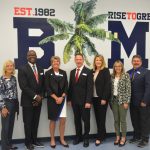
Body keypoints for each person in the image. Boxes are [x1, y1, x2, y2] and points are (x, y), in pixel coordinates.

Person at [18, 50, 45, 150]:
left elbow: (43, 85)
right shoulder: (22, 69)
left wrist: (40, 96)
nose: (32, 56)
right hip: (27, 101)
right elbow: (23, 86)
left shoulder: (41, 69)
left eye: (34, 55)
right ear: (27, 57)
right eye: (30, 55)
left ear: (36, 56)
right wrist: (35, 97)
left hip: (39, 101)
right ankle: (27, 142)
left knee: (36, 122)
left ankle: (34, 140)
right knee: (28, 123)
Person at [68, 53, 93, 147]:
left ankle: (86, 138)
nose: (78, 61)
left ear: (83, 60)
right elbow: (71, 86)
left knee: (86, 120)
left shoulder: (89, 71)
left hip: (84, 102)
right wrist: (69, 99)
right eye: (77, 59)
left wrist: (88, 101)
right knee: (77, 120)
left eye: (80, 59)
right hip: (74, 102)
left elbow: (90, 88)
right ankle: (78, 137)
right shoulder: (72, 72)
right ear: (75, 60)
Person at [45, 56, 68, 148]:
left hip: (62, 100)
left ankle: (62, 139)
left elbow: (66, 86)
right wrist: (56, 98)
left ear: (59, 63)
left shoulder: (63, 73)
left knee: (63, 120)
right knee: (53, 120)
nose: (56, 63)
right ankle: (52, 139)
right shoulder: (48, 73)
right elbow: (47, 87)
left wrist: (62, 97)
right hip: (52, 99)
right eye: (54, 62)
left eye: (57, 62)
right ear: (51, 63)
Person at [127, 55, 150, 148]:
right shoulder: (129, 72)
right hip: (132, 102)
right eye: (134, 61)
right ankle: (137, 136)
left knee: (144, 121)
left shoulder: (146, 72)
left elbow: (149, 87)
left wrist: (145, 100)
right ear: (132, 62)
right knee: (134, 120)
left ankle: (145, 139)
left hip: (143, 102)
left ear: (141, 62)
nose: (136, 62)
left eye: (137, 61)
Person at [110, 60, 131, 147]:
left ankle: (123, 138)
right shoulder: (112, 76)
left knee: (122, 120)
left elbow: (128, 90)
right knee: (116, 120)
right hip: (113, 100)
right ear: (114, 67)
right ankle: (117, 137)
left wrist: (127, 101)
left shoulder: (126, 75)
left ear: (122, 67)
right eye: (116, 66)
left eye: (119, 66)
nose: (118, 68)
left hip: (123, 101)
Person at [92, 55, 111, 146]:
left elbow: (107, 85)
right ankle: (103, 134)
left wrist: (104, 98)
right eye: (97, 60)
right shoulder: (93, 71)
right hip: (94, 98)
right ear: (94, 61)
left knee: (101, 118)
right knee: (97, 117)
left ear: (102, 61)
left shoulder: (105, 71)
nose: (98, 61)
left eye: (100, 60)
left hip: (102, 98)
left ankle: (99, 137)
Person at [0, 60, 19, 150]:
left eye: (11, 66)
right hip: (6, 104)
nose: (10, 67)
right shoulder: (2, 79)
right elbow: (0, 94)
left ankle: (9, 145)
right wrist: (3, 107)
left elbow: (15, 92)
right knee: (5, 127)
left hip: (13, 104)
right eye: (8, 66)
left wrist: (17, 105)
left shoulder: (13, 78)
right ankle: (4, 147)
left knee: (11, 126)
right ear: (5, 67)